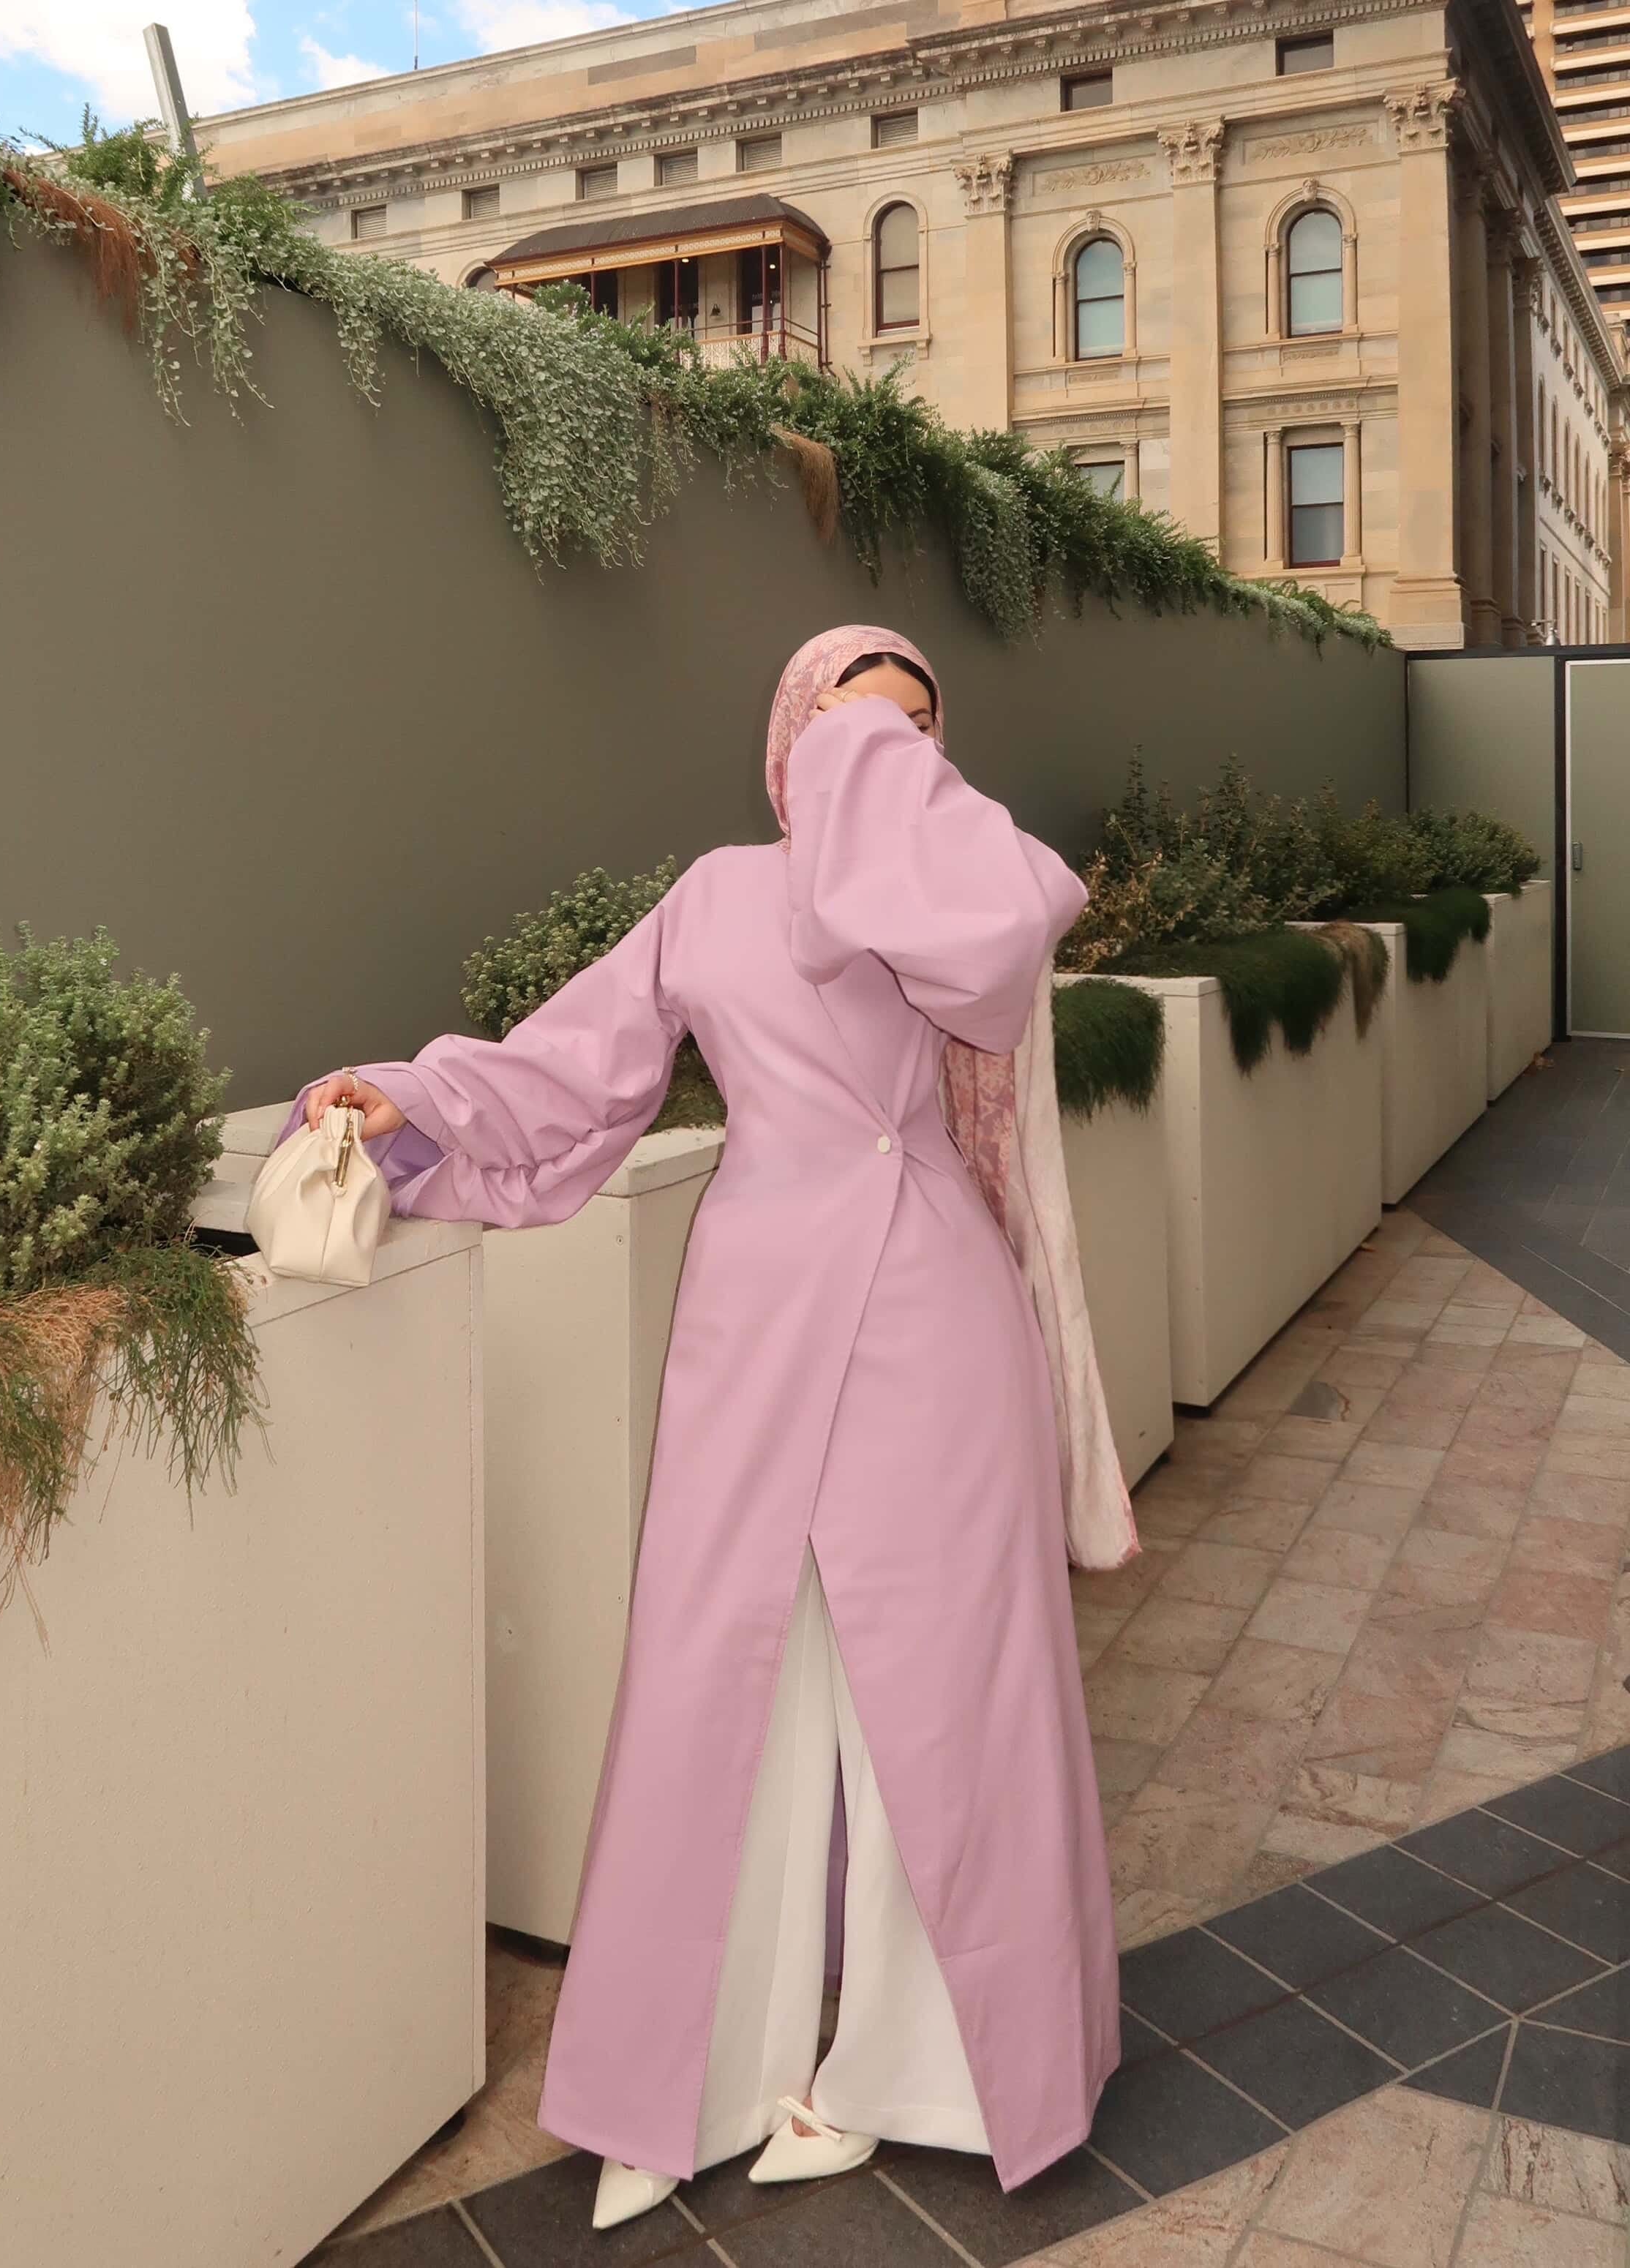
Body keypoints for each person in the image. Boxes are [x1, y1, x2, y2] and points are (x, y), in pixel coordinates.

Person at [285, 626, 1133, 2231]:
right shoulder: (715, 896)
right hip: (755, 1314)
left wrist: (888, 789)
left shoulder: (960, 889)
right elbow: (570, 1074)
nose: (889, 745)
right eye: (855, 716)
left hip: (937, 1315)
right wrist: (416, 1101)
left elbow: (1004, 934)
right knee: (720, 1674)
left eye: (921, 725)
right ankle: (685, 2077)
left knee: (948, 1685)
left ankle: (915, 2072)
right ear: (788, 735)